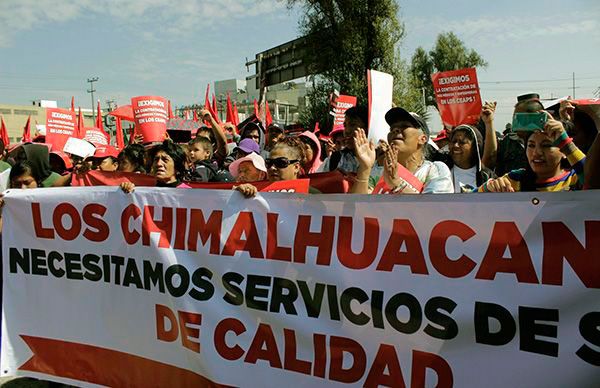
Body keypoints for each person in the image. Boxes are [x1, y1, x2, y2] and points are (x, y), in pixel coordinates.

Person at [352, 107, 454, 194]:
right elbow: (356, 208)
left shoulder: (435, 170)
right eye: (392, 129)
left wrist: (397, 185)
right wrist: (364, 169)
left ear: (422, 139)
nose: (395, 130)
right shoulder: (379, 171)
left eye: (404, 126)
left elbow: (436, 209)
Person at [479, 112, 585, 192]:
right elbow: (468, 201)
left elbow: (593, 177)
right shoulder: (514, 180)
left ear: (563, 151)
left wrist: (566, 143)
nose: (537, 152)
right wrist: (489, 188)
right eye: (531, 145)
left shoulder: (575, 179)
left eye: (546, 145)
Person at [234, 137, 319, 197]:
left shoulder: (312, 196)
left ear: (296, 167)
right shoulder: (255, 192)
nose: (272, 168)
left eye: (280, 162)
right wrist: (238, 196)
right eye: (269, 163)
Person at [488, 93, 543, 176]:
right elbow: (490, 161)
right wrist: (489, 123)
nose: (515, 122)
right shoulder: (507, 142)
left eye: (519, 118)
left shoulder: (550, 140)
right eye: (514, 117)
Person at [120, 140, 190, 192]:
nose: (159, 164)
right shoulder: (143, 188)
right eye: (156, 159)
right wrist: (128, 189)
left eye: (165, 160)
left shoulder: (188, 193)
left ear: (177, 166)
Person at [445, 124, 495, 193]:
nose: (455, 145)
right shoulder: (441, 171)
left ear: (474, 148)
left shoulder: (486, 176)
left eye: (462, 142)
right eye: (453, 141)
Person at [319, 106, 369, 173]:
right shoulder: (335, 159)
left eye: (353, 125)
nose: (347, 131)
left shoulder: (379, 161)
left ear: (367, 128)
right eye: (345, 126)